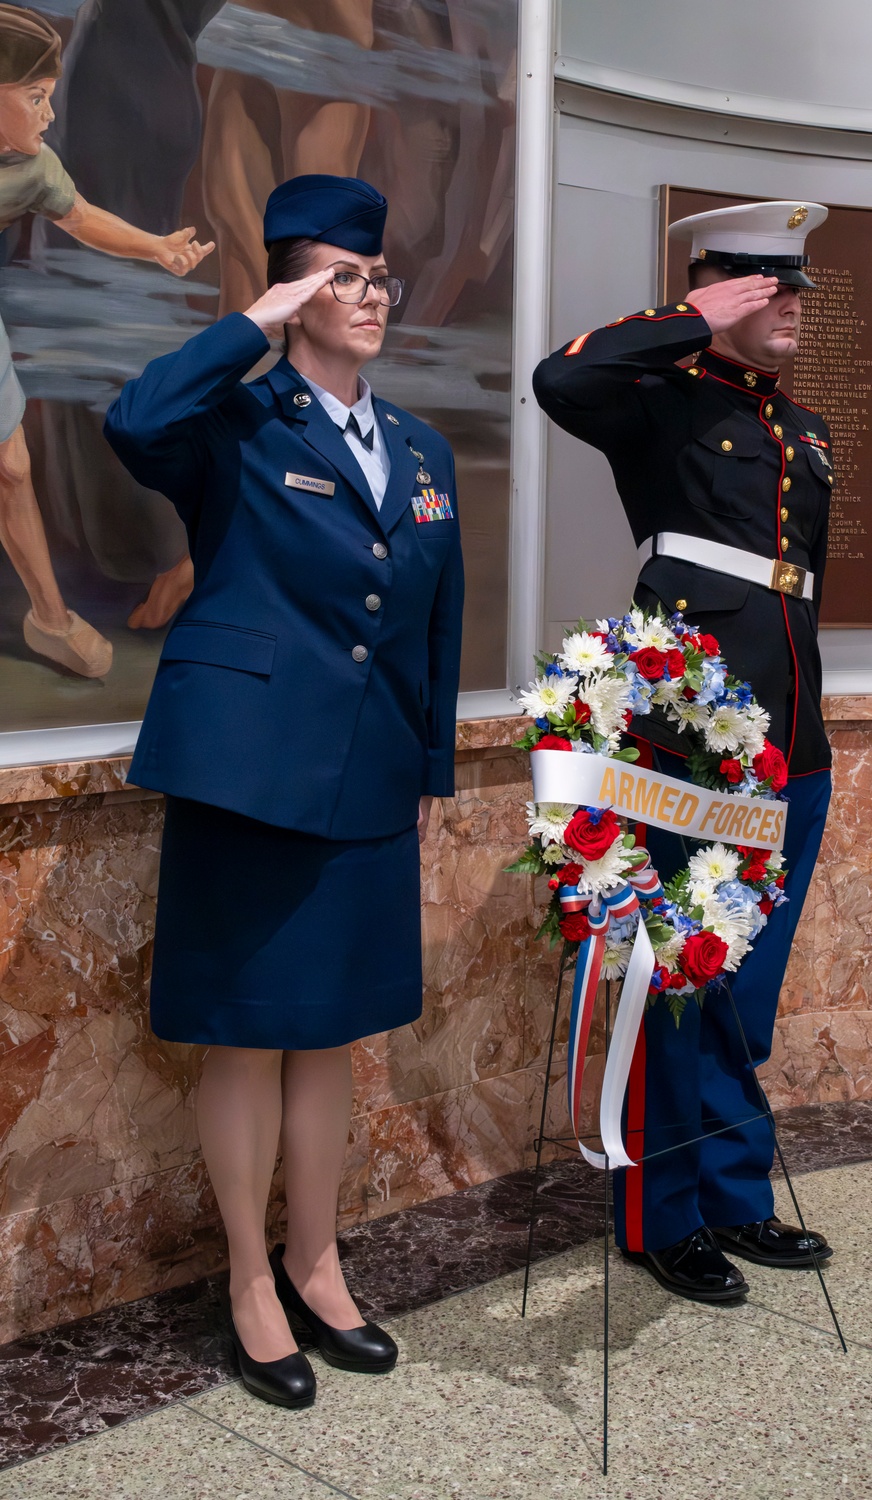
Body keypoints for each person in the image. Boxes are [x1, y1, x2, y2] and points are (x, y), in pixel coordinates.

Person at [104, 174, 464, 1408]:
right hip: (248, 773)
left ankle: (317, 1263)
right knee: (247, 1034)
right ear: (296, 288)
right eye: (341, 277)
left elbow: (431, 620)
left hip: (368, 777)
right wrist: (252, 324)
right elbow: (134, 416)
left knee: (328, 1033)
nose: (367, 297)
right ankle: (249, 1283)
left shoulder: (418, 448)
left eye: (377, 278)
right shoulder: (239, 423)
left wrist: (427, 769)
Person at [533, 200, 834, 1306]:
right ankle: (662, 1217)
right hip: (692, 758)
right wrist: (684, 316)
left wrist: (808, 734)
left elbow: (797, 595)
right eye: (768, 284)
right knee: (677, 983)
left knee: (743, 992)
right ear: (722, 292)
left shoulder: (806, 433)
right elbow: (560, 380)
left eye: (796, 282)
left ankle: (734, 1195)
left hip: (793, 746)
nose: (793, 300)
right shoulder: (658, 404)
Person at [0, 5, 214, 677]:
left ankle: (51, 621)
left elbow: (84, 216)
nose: (50, 114)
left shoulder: (33, 168)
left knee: (12, 467)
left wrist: (156, 250)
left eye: (50, 96)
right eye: (35, 97)